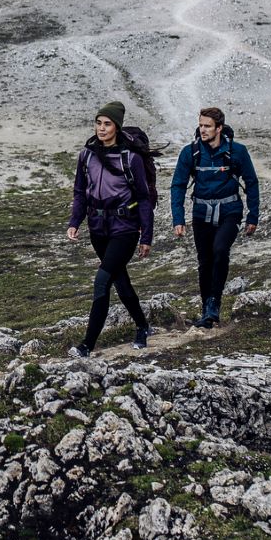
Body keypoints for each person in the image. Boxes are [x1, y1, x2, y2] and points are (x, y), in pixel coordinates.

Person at [66, 100, 155, 356]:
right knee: (120, 280)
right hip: (98, 229)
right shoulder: (86, 155)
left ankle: (87, 345)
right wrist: (75, 222)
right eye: (98, 123)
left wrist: (146, 236)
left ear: (117, 127)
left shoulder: (131, 158)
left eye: (107, 124)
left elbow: (144, 198)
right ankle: (143, 326)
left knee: (102, 281)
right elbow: (80, 192)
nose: (101, 128)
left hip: (125, 228)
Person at [169, 106, 259, 328]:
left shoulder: (237, 152)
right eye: (201, 125)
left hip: (230, 211)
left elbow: (251, 182)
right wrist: (178, 219)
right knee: (204, 261)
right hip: (201, 213)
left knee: (220, 251)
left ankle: (214, 304)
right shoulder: (190, 153)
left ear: (219, 128)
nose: (203, 130)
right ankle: (206, 310)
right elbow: (178, 185)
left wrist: (253, 216)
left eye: (208, 126)